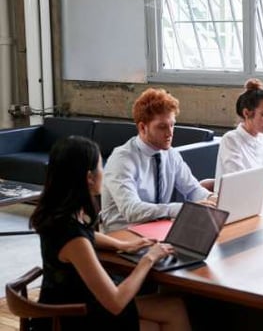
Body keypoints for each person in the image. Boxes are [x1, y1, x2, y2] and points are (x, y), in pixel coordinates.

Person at [30, 136, 190, 331]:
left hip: (63, 305)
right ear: (89, 177)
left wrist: (121, 245)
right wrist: (149, 258)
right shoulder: (74, 238)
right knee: (171, 311)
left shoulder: (57, 214)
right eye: (100, 167)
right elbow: (116, 302)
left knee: (172, 307)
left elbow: (85, 237)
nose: (103, 173)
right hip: (75, 316)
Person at [100, 88, 213, 232]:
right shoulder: (122, 159)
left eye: (172, 125)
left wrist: (211, 199)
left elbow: (192, 189)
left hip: (158, 231)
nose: (170, 133)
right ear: (142, 127)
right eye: (162, 127)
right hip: (123, 237)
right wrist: (179, 209)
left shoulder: (171, 154)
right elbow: (132, 211)